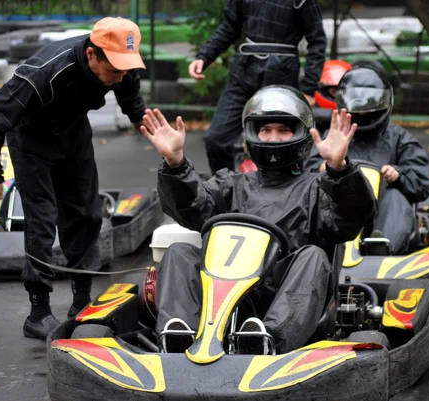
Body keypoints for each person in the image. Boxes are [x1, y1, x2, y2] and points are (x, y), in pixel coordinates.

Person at [141, 85, 377, 355]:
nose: (273, 139)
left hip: (282, 294)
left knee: (313, 255)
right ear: (252, 134)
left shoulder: (318, 187)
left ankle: (267, 342)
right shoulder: (230, 184)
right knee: (179, 252)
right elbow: (191, 208)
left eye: (283, 130)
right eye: (265, 130)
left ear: (300, 136)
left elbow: (354, 216)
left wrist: (340, 169)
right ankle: (180, 335)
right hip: (219, 290)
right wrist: (175, 164)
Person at [0, 17, 150, 340]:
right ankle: (38, 312)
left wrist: (140, 119)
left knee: (87, 214)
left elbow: (129, 87)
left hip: (73, 132)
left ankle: (82, 302)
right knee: (42, 220)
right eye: (115, 70)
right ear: (92, 55)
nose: (121, 76)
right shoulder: (46, 72)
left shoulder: (120, 60)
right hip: (31, 139)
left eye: (126, 68)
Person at [188, 0, 327, 175]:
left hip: (282, 78)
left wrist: (308, 88)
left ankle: (286, 193)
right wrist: (204, 56)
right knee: (215, 139)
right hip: (243, 73)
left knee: (282, 144)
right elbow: (229, 28)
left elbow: (317, 40)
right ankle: (226, 190)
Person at [305, 65, 429, 255]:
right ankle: (327, 252)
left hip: (382, 211)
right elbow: (304, 179)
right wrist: (323, 168)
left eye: (367, 110)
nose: (362, 113)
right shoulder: (332, 136)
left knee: (395, 197)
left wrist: (398, 175)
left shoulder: (400, 138)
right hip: (338, 211)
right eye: (359, 110)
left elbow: (421, 183)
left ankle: (382, 248)